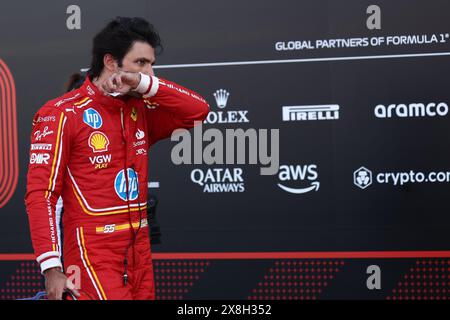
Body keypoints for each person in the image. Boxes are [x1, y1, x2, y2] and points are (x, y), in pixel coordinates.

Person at [25, 17, 209, 300]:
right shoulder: (62, 113)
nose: (149, 73)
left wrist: (145, 84)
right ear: (111, 62)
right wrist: (51, 266)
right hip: (92, 252)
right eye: (140, 63)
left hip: (139, 251)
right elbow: (41, 194)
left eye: (151, 65)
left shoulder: (140, 110)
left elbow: (198, 111)